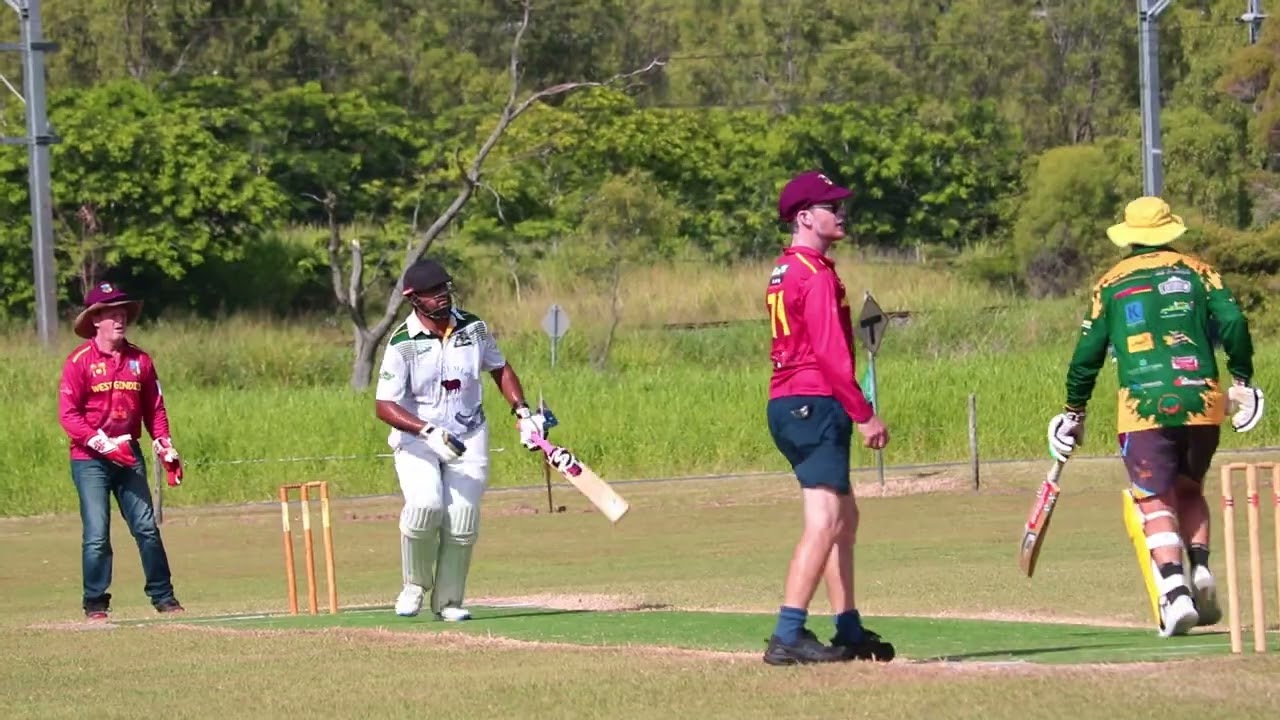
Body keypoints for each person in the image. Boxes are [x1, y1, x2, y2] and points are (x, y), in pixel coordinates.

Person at [1048, 196, 1263, 637]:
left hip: (1142, 405)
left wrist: (1074, 410)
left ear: (1129, 237)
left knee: (1153, 500)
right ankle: (1201, 567)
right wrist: (1242, 378)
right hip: (1203, 400)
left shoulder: (1110, 283)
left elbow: (1086, 355)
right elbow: (1235, 323)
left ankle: (1176, 590)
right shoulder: (1201, 272)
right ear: (1170, 232)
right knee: (1189, 490)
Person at [761, 170, 895, 665]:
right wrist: (864, 414)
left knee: (844, 518)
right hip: (813, 400)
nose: (840, 213)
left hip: (792, 401)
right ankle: (788, 633)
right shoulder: (814, 274)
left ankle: (848, 628)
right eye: (830, 207)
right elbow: (831, 354)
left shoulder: (785, 268)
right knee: (826, 520)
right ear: (804, 217)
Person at [374, 259, 546, 621]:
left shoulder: (474, 328)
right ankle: (414, 586)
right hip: (419, 440)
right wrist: (427, 430)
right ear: (413, 298)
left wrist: (523, 412)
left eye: (444, 291)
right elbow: (384, 406)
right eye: (433, 294)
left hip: (469, 433)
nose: (441, 298)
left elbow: (500, 368)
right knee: (425, 506)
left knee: (462, 518)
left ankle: (449, 602)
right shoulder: (402, 344)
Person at [58, 282, 186, 621]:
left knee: (146, 527)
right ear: (95, 319)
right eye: (113, 313)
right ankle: (96, 602)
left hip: (129, 456)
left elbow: (154, 409)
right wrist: (101, 443)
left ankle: (164, 597)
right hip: (90, 461)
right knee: (97, 534)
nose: (121, 318)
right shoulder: (79, 362)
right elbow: (68, 416)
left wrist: (164, 445)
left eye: (123, 312)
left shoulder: (140, 360)